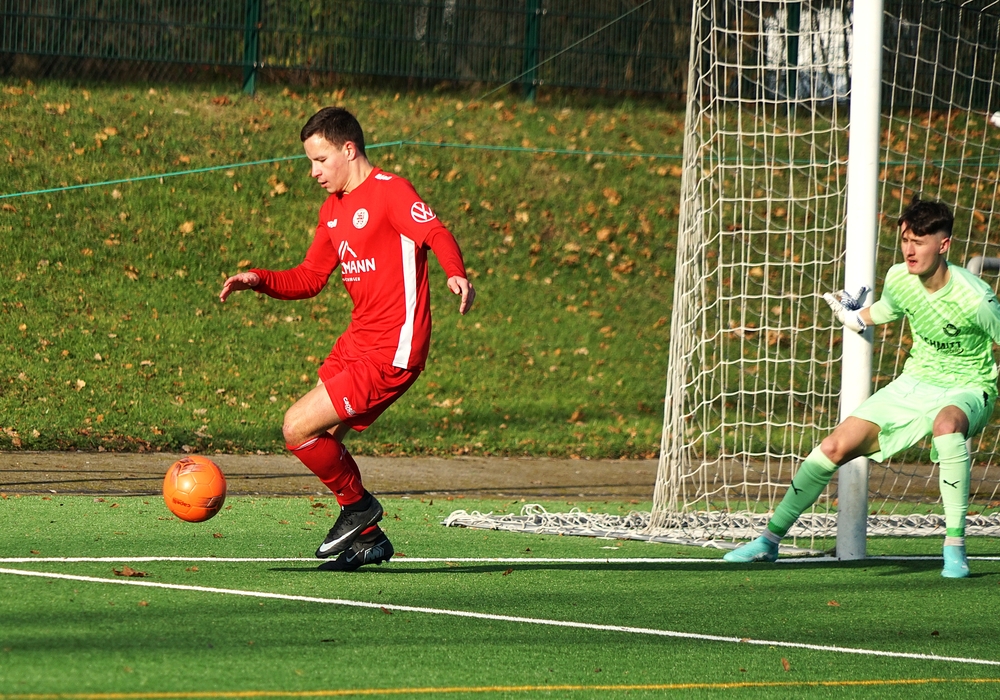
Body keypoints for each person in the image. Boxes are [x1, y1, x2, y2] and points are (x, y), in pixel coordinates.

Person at [219, 106, 475, 571]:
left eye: (320, 160)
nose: (314, 172)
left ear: (349, 149)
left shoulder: (391, 191)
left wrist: (455, 273)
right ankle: (370, 539)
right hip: (356, 343)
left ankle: (360, 509)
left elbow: (436, 233)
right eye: (310, 162)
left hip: (393, 348)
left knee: (296, 427)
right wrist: (259, 279)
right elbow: (310, 277)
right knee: (321, 439)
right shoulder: (333, 209)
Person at [724, 199, 1000, 578]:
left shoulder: (976, 297)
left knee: (946, 426)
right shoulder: (900, 277)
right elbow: (886, 310)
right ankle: (768, 541)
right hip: (914, 383)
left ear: (944, 244)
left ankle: (955, 546)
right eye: (905, 240)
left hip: (968, 387)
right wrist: (853, 316)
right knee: (832, 447)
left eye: (919, 242)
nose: (909, 250)